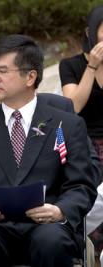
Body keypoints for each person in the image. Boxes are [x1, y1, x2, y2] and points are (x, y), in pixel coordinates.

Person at [0, 34, 97, 267]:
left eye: (2, 71)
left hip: (47, 225)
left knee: (51, 241)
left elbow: (81, 185)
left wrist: (60, 210)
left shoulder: (67, 124)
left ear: (30, 76)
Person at [59, 4, 103, 256]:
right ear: (90, 33)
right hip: (84, 143)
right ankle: (89, 251)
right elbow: (72, 106)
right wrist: (93, 66)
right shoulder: (71, 65)